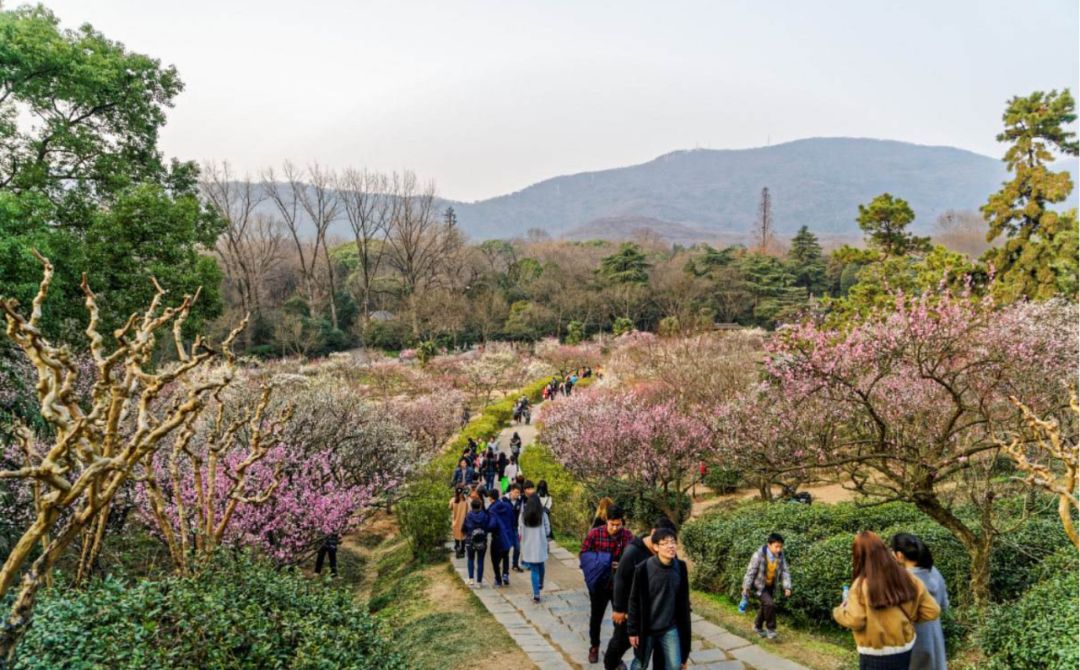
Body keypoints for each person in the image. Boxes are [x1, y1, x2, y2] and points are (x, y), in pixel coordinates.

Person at [834, 531, 941, 670]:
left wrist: (838, 611)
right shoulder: (908, 578)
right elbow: (933, 611)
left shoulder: (861, 585)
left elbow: (855, 620)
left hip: (874, 654)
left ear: (858, 555)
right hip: (904, 650)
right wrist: (906, 619)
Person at [606, 517, 677, 670]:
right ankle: (611, 665)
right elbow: (620, 579)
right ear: (653, 533)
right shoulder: (633, 552)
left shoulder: (668, 554)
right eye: (663, 541)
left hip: (655, 613)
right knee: (621, 642)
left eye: (670, 542)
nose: (667, 546)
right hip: (629, 609)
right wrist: (618, 608)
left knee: (659, 650)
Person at [627, 526, 692, 670]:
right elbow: (634, 601)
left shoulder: (681, 567)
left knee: (675, 665)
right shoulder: (643, 569)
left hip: (670, 627)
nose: (671, 546)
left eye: (673, 542)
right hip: (647, 628)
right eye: (665, 543)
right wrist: (632, 630)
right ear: (656, 547)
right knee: (640, 664)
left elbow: (683, 598)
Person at [580, 504, 635, 664]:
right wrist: (604, 561)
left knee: (619, 621)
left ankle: (614, 654)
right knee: (596, 617)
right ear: (606, 520)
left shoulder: (627, 536)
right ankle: (594, 646)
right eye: (612, 524)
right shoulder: (595, 534)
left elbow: (635, 558)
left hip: (620, 586)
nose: (616, 528)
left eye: (619, 524)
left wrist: (624, 564)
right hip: (600, 584)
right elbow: (583, 554)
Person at [890, 534, 948, 670]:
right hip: (935, 639)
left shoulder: (902, 581)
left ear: (899, 555)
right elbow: (944, 605)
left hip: (912, 645)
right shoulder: (934, 572)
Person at [741, 532, 793, 640]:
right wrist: (746, 587)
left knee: (765, 606)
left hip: (771, 585)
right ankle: (771, 629)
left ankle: (757, 626)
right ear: (769, 545)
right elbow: (751, 572)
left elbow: (785, 571)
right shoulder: (758, 555)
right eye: (776, 546)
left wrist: (787, 587)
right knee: (769, 604)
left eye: (781, 547)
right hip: (759, 585)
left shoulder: (780, 556)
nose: (779, 549)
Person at [519, 491, 551, 602]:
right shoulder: (543, 514)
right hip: (540, 544)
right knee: (541, 564)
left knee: (534, 569)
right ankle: (541, 583)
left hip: (528, 545)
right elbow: (548, 530)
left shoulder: (523, 515)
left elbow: (520, 531)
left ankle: (536, 594)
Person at [487, 488, 516, 587]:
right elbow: (513, 520)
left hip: (497, 538)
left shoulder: (491, 509)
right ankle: (505, 574)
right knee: (505, 556)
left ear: (490, 498)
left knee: (495, 560)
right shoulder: (508, 506)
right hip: (508, 536)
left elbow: (491, 525)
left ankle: (498, 579)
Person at [462, 498, 494, 587]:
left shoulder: (468, 516)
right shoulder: (484, 516)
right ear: (480, 506)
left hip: (470, 540)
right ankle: (479, 582)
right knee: (480, 560)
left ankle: (471, 579)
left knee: (470, 559)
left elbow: (464, 528)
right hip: (482, 540)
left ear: (471, 506)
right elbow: (488, 527)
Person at [508, 484, 526, 572]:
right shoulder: (504, 500)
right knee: (505, 548)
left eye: (519, 493)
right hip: (506, 528)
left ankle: (515, 564)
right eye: (516, 492)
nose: (517, 494)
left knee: (517, 547)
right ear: (511, 491)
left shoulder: (520, 500)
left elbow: (522, 512)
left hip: (515, 527)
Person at [450, 487, 470, 558]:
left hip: (455, 522)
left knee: (456, 537)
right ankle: (462, 550)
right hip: (463, 522)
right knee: (463, 537)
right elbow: (468, 511)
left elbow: (450, 508)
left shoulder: (453, 500)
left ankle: (457, 548)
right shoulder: (465, 501)